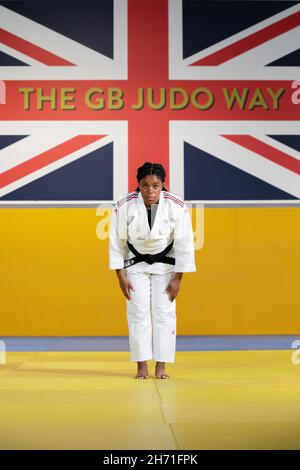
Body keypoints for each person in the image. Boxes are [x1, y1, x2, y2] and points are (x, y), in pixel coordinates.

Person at [109, 162, 196, 379]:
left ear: (163, 185)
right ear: (138, 185)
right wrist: (120, 276)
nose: (150, 191)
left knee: (164, 314)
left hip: (166, 265)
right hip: (135, 265)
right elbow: (116, 241)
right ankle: (141, 366)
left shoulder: (176, 205)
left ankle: (161, 365)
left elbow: (184, 244)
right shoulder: (124, 204)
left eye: (156, 186)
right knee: (138, 313)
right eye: (145, 185)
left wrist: (178, 278)